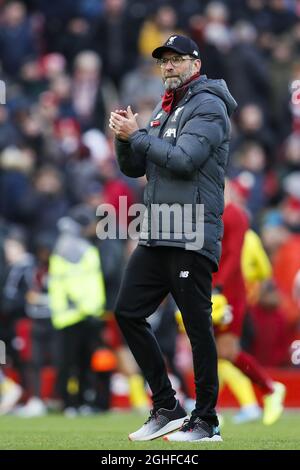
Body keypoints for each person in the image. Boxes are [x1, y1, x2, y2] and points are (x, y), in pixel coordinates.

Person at [109, 34, 237, 442]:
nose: (168, 66)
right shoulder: (168, 108)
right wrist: (124, 138)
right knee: (128, 312)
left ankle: (207, 420)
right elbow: (136, 168)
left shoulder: (208, 105)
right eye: (164, 60)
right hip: (159, 229)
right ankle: (166, 406)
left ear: (195, 65)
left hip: (192, 230)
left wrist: (139, 135)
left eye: (177, 59)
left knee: (197, 327)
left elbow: (184, 161)